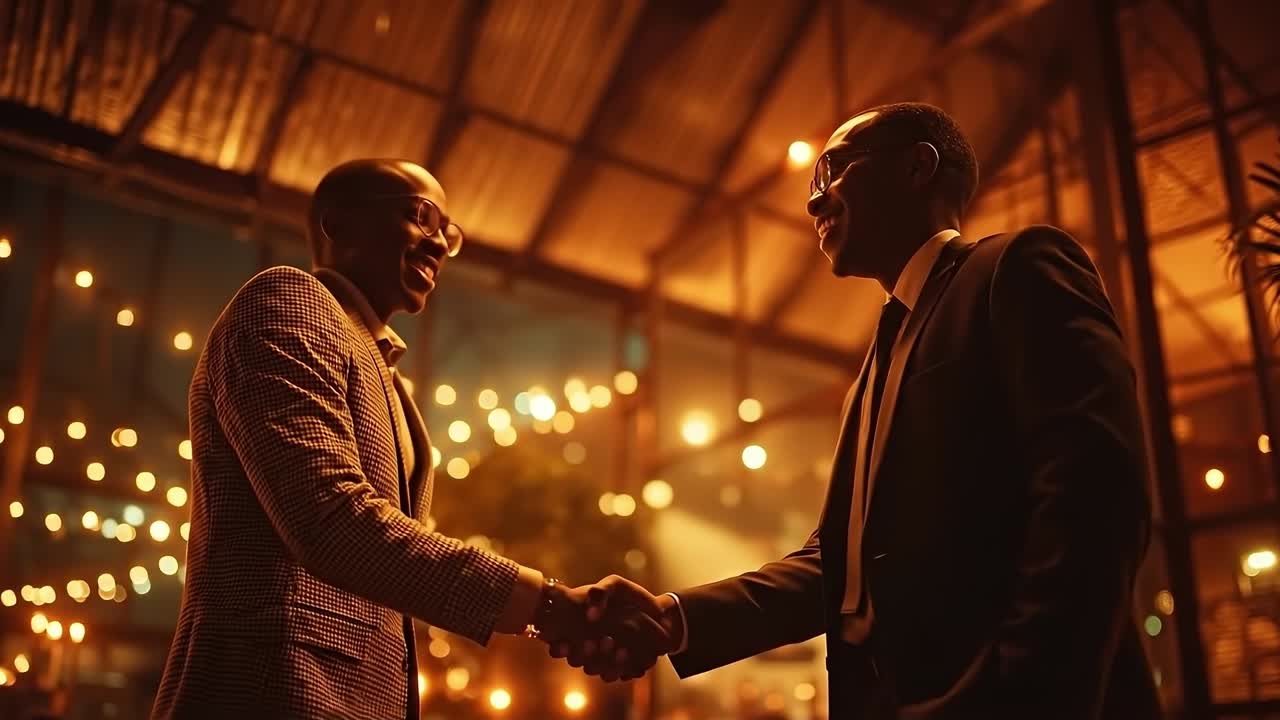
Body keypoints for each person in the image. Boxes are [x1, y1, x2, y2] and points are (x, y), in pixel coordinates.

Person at [567, 103, 1163, 719]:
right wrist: (671, 618)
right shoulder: (872, 369)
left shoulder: (1014, 269)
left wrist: (1018, 695)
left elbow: (1094, 493)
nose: (813, 203)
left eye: (834, 170)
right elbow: (839, 567)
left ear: (917, 167)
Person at [152, 159, 665, 719]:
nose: (440, 245)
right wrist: (549, 605)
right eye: (422, 217)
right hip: (268, 692)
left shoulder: (387, 376)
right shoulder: (288, 303)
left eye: (449, 233)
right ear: (337, 223)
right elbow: (330, 518)